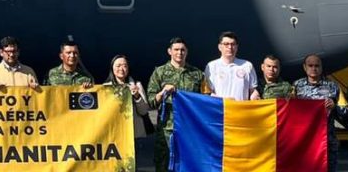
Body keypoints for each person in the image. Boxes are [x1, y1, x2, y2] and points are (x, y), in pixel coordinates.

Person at [147, 37, 207, 172]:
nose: (179, 53)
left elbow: (205, 100)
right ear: (169, 51)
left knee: (189, 166)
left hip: (189, 129)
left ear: (187, 52)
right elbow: (151, 101)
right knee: (163, 165)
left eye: (182, 50)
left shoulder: (197, 74)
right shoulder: (160, 73)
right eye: (176, 50)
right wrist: (162, 93)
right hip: (167, 130)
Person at [293, 54, 346, 172]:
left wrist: (334, 107)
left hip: (327, 140)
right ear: (304, 67)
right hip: (306, 140)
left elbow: (345, 112)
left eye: (317, 65)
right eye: (310, 65)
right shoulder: (297, 86)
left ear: (321, 67)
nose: (314, 68)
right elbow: (292, 112)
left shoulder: (333, 86)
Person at [104, 55, 153, 141]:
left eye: (124, 66)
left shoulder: (137, 85)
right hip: (115, 135)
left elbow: (144, 111)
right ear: (112, 68)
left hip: (134, 135)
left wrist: (137, 97)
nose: (121, 69)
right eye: (118, 66)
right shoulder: (106, 88)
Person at [205, 31, 259, 101]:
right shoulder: (211, 66)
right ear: (220, 47)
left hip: (241, 110)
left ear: (237, 47)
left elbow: (253, 90)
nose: (230, 47)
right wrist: (225, 100)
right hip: (221, 109)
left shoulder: (247, 65)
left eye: (233, 44)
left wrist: (255, 95)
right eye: (226, 44)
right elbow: (208, 93)